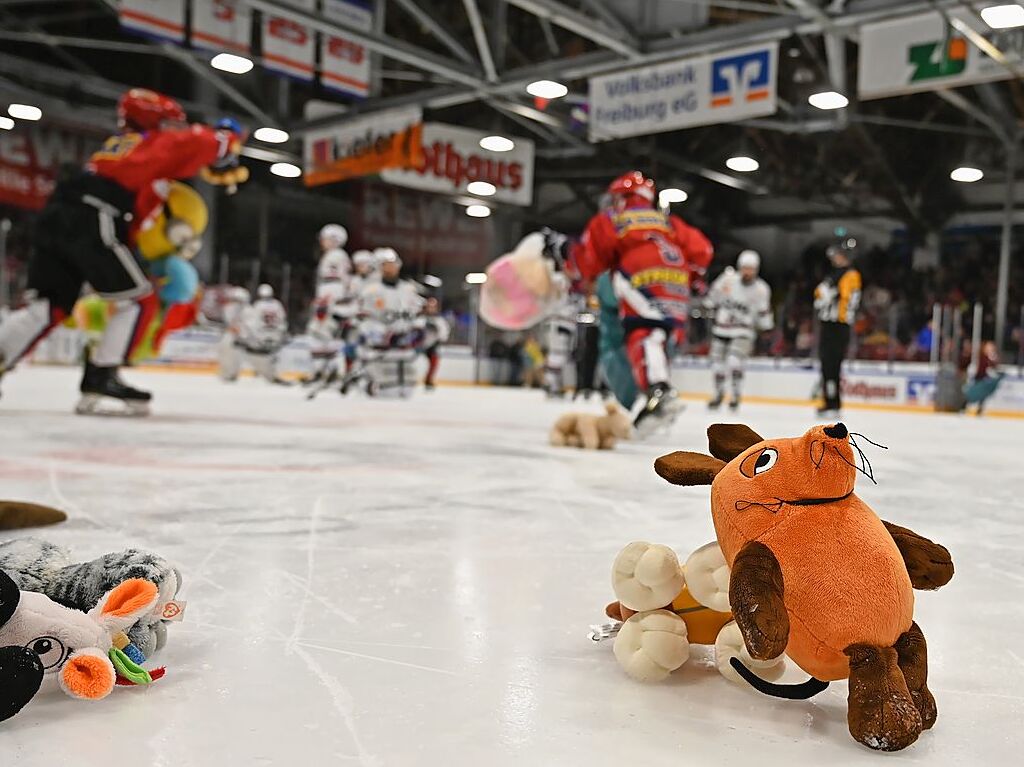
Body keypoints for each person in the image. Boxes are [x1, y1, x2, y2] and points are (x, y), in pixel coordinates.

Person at [0, 88, 246, 414]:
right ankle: (102, 375)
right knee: (138, 299)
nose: (175, 129)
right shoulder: (155, 141)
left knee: (49, 307)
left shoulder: (117, 149)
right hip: (93, 217)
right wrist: (229, 140)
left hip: (59, 215)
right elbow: (203, 141)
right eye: (170, 123)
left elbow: (142, 198)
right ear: (154, 120)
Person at [553, 171, 714, 433]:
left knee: (644, 332)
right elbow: (703, 251)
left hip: (641, 274)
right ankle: (655, 388)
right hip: (676, 280)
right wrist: (692, 276)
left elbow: (591, 260)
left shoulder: (615, 218)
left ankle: (658, 391)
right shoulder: (667, 221)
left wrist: (566, 253)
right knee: (659, 335)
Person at [345, 248, 424, 395]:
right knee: (380, 387)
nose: (391, 268)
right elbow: (363, 319)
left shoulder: (408, 289)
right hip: (379, 351)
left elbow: (416, 315)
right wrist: (381, 335)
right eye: (386, 264)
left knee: (406, 387)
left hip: (403, 350)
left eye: (393, 264)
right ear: (378, 267)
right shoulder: (370, 291)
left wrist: (414, 330)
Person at [705, 250, 773, 410]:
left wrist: (766, 328)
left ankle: (735, 394)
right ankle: (718, 394)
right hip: (721, 328)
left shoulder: (761, 289)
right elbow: (712, 297)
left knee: (734, 362)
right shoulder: (727, 280)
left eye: (751, 268)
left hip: (744, 331)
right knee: (717, 366)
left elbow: (764, 312)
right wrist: (708, 305)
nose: (747, 272)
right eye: (745, 268)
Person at [814, 238, 862, 416]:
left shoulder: (849, 275)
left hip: (838, 324)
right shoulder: (836, 274)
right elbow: (820, 294)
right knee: (827, 364)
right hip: (830, 323)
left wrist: (826, 295)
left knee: (833, 364)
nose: (835, 258)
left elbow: (831, 296)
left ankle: (833, 403)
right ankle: (829, 400)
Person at [306, 224, 351, 378]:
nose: (322, 241)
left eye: (324, 238)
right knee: (328, 335)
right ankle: (329, 370)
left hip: (330, 300)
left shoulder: (334, 256)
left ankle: (323, 371)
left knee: (318, 333)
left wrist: (324, 303)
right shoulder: (339, 255)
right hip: (334, 300)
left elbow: (333, 282)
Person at [219, 284, 289, 384]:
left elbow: (252, 326)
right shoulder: (277, 304)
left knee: (230, 345)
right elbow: (282, 320)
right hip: (274, 335)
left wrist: (244, 336)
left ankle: (231, 373)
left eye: (235, 300)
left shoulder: (256, 306)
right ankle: (270, 374)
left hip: (258, 337)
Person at [420, 296, 450, 390]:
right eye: (429, 306)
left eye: (433, 306)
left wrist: (437, 331)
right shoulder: (420, 319)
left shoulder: (439, 320)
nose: (431, 308)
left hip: (432, 345)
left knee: (434, 362)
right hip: (417, 345)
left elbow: (444, 334)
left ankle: (428, 380)